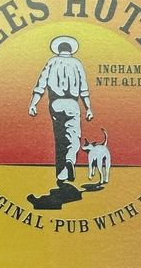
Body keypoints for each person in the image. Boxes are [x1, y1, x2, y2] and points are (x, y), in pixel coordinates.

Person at [28, 35, 94, 186]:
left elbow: (41, 84)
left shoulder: (52, 62)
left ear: (58, 49)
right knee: (73, 137)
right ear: (71, 49)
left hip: (55, 103)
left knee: (60, 139)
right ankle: (70, 161)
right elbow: (84, 89)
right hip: (72, 103)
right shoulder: (77, 63)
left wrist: (33, 104)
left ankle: (61, 174)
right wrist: (88, 108)